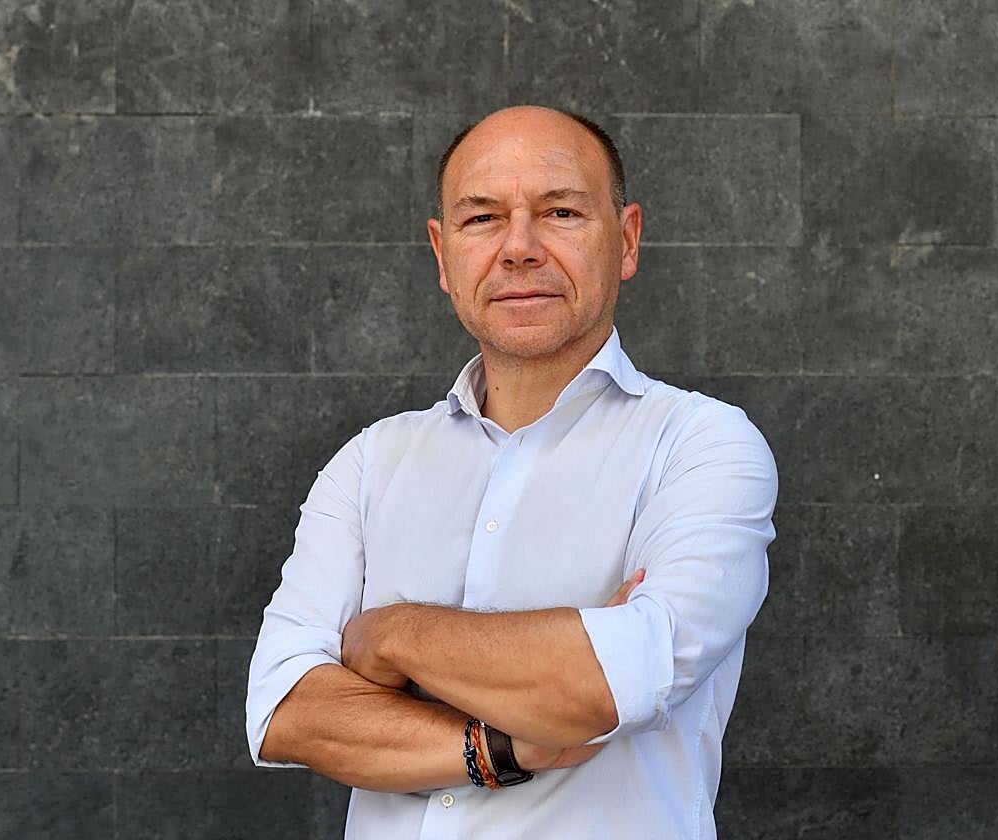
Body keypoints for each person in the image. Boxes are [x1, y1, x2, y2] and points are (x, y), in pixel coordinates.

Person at [245, 105, 778, 839]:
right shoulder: (370, 461)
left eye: (560, 212)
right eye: (482, 219)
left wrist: (390, 634)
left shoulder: (701, 445)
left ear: (625, 240)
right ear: (443, 255)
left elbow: (603, 685)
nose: (519, 248)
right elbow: (286, 712)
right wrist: (505, 747)